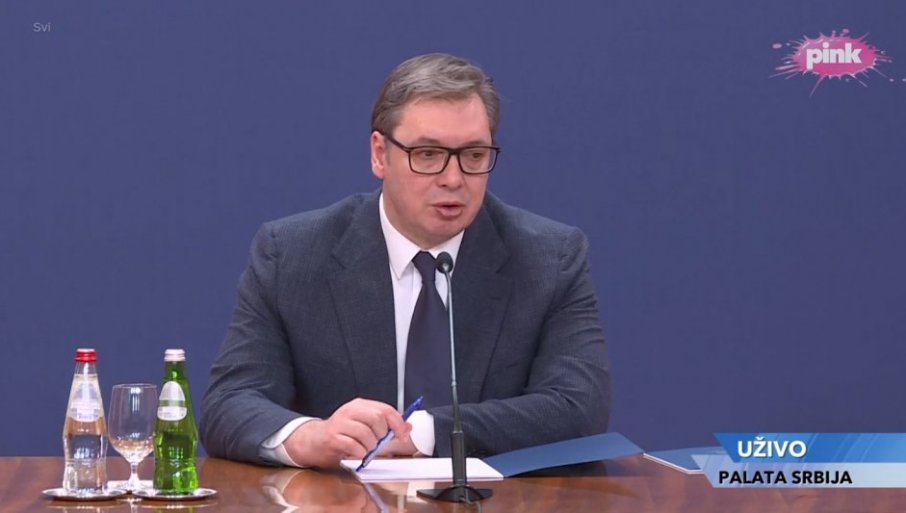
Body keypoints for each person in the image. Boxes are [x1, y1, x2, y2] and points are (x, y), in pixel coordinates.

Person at [200, 53, 611, 468]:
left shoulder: (548, 258)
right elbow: (230, 402)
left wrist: (424, 433)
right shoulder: (292, 254)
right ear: (380, 154)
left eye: (473, 155)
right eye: (428, 154)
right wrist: (308, 437)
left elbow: (579, 408)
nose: (453, 179)